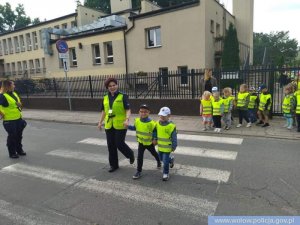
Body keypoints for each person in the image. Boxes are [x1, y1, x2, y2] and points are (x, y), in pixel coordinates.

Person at [98, 77, 135, 172]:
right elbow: (104, 111)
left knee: (119, 143)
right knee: (111, 145)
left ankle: (130, 154)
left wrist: (127, 120)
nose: (112, 87)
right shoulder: (105, 97)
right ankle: (114, 165)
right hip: (109, 124)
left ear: (117, 85)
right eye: (110, 86)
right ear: (107, 87)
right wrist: (100, 122)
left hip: (121, 124)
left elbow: (128, 109)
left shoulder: (123, 96)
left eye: (114, 85)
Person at [128, 104, 161, 179]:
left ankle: (159, 161)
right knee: (139, 157)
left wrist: (155, 139)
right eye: (141, 111)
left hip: (149, 143)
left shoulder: (152, 123)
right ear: (139, 112)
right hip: (141, 142)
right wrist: (127, 126)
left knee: (154, 153)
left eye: (145, 112)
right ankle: (138, 171)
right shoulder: (137, 121)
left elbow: (155, 131)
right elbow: (134, 128)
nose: (143, 113)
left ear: (149, 112)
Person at [0, 80, 27, 159]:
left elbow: (18, 104)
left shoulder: (14, 94)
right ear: (8, 86)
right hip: (9, 121)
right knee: (12, 136)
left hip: (18, 118)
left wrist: (20, 105)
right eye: (13, 84)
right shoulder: (2, 96)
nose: (14, 86)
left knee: (19, 136)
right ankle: (12, 152)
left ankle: (19, 150)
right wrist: (1, 114)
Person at [155, 107, 177, 181]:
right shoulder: (157, 123)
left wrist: (174, 146)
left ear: (169, 116)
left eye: (164, 116)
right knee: (160, 158)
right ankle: (171, 160)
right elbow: (154, 132)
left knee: (165, 161)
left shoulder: (171, 126)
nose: (162, 117)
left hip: (167, 147)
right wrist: (154, 139)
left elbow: (174, 137)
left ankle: (166, 173)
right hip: (160, 146)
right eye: (161, 115)